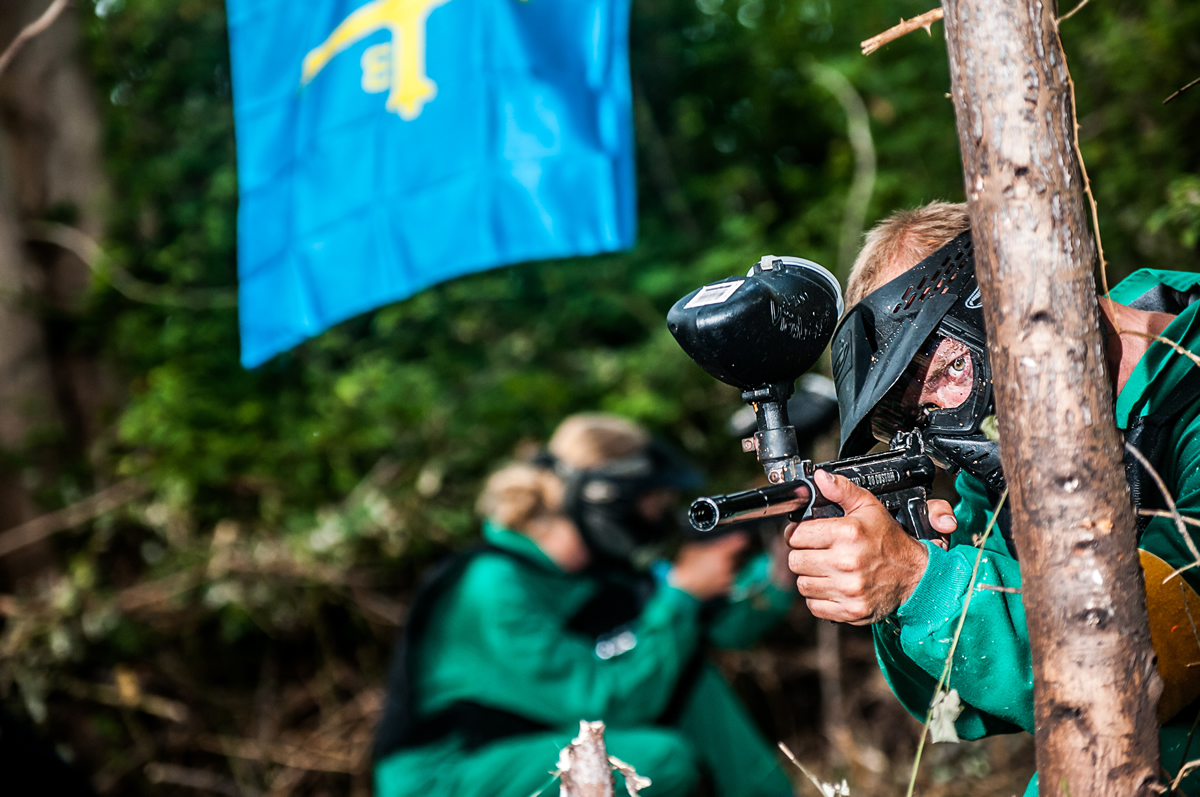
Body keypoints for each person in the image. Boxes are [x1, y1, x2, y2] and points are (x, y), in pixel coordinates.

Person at [785, 201, 1200, 794]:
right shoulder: (1014, 460)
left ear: (1023, 307)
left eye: (945, 374)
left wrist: (916, 578)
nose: (945, 430)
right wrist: (900, 580)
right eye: (920, 411)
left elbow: (1147, 666)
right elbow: (957, 713)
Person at [374, 413, 797, 797]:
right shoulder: (491, 588)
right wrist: (682, 593)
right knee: (656, 760)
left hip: (531, 741)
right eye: (650, 505)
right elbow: (605, 704)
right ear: (605, 501)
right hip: (447, 775)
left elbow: (717, 628)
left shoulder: (596, 573)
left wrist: (782, 565)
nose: (657, 520)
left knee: (687, 675)